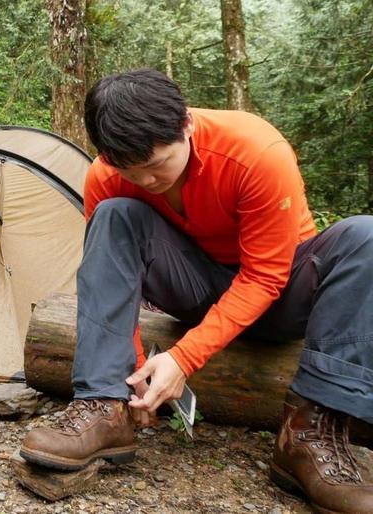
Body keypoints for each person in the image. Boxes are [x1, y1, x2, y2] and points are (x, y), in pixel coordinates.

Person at [20, 68, 373, 513]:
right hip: (193, 291)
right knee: (113, 216)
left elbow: (265, 276)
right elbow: (112, 277)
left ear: (186, 123)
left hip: (285, 295)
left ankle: (307, 436)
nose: (146, 181)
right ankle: (103, 408)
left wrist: (184, 357)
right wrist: (134, 377)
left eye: (155, 164)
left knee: (367, 235)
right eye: (130, 170)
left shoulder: (255, 150)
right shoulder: (106, 175)